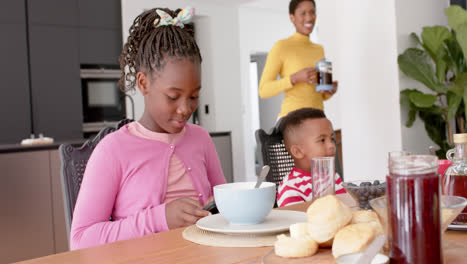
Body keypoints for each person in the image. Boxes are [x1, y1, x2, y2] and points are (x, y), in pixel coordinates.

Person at [70, 7, 226, 250]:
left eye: (194, 96)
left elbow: (221, 203)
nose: (186, 109)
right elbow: (80, 240)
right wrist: (159, 218)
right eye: (173, 97)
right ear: (143, 83)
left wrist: (224, 206)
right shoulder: (113, 150)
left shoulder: (201, 138)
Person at [258, 0, 337, 119]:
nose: (309, 18)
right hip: (293, 119)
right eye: (303, 13)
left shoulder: (319, 49)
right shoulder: (282, 47)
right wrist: (294, 78)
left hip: (318, 117)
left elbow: (320, 95)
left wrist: (329, 91)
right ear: (292, 17)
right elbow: (263, 90)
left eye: (312, 12)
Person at [276, 108, 345, 207]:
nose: (332, 145)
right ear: (298, 152)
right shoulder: (291, 188)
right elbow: (295, 220)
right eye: (322, 140)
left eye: (332, 139)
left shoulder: (333, 177)